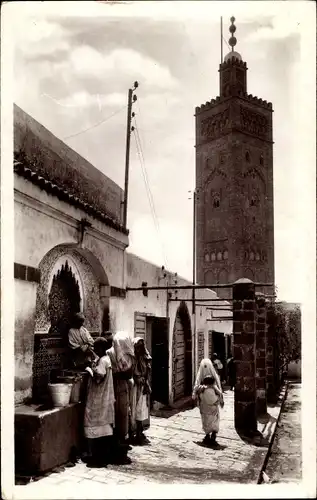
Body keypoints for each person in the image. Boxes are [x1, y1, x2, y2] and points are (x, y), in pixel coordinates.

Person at [83, 337, 115, 467]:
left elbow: (98, 378)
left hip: (98, 397)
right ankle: (101, 452)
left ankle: (91, 453)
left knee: (90, 421)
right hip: (105, 397)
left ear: (101, 348)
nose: (95, 350)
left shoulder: (103, 361)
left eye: (96, 348)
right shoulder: (106, 359)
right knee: (104, 424)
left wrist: (90, 370)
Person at [107, 331, 135, 463]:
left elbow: (129, 374)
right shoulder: (110, 353)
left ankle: (121, 446)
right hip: (112, 388)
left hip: (122, 388)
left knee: (123, 415)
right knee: (114, 417)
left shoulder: (128, 356)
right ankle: (115, 449)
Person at [130, 337, 152, 445]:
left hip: (142, 386)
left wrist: (146, 382)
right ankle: (133, 432)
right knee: (134, 409)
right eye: (137, 347)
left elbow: (147, 371)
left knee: (142, 409)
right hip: (134, 387)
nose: (139, 349)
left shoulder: (145, 357)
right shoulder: (132, 358)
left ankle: (140, 431)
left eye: (141, 346)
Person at [196, 375, 224, 446]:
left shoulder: (201, 389)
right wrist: (218, 398)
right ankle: (213, 437)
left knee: (206, 422)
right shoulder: (212, 390)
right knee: (214, 422)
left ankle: (207, 436)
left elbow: (199, 397)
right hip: (212, 409)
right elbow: (212, 400)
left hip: (204, 408)